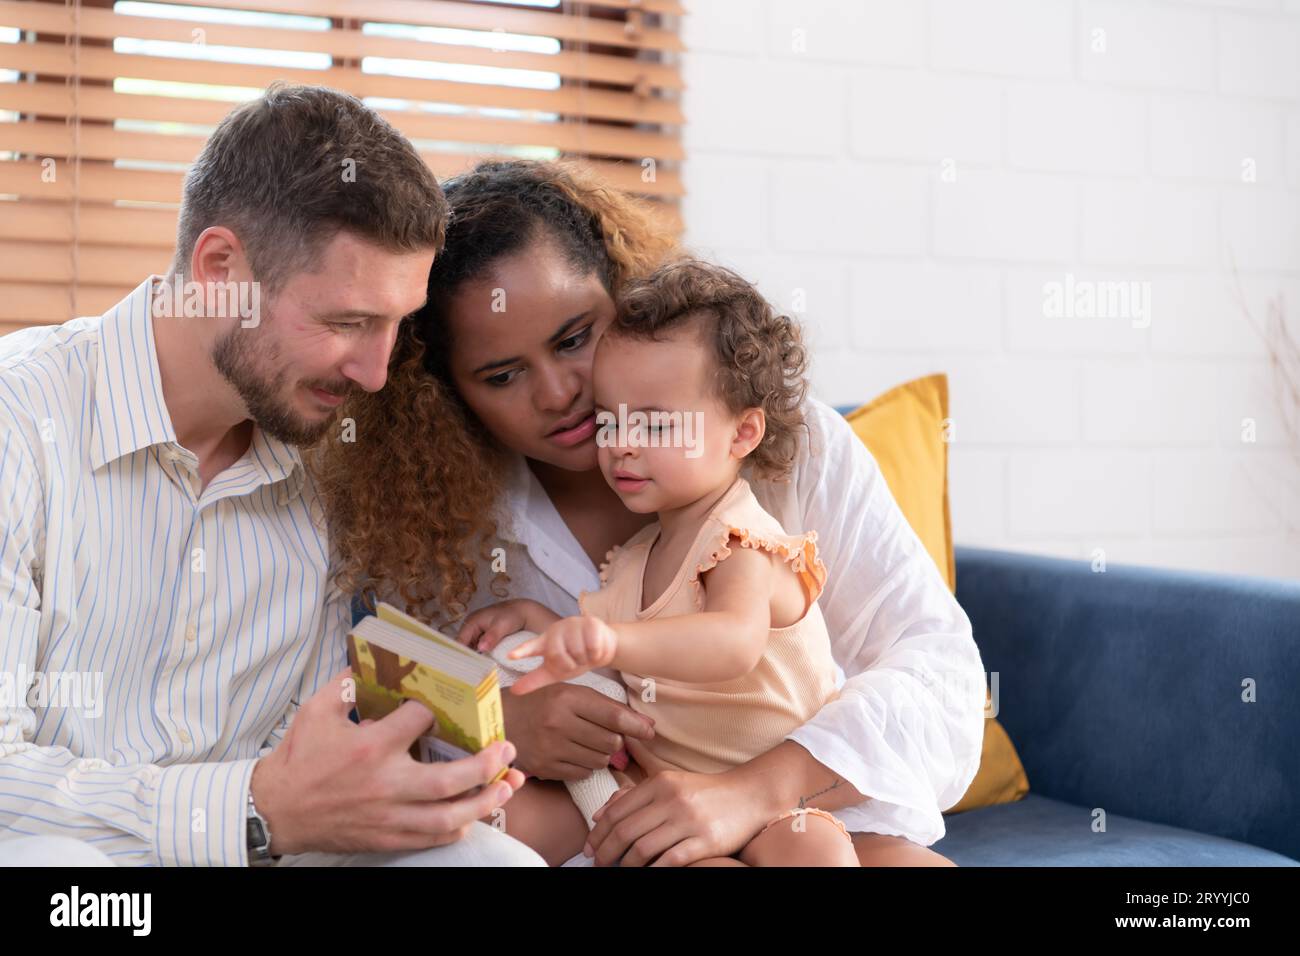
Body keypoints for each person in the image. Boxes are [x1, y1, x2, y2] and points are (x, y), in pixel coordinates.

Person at [313, 159, 987, 867]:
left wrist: (756, 790)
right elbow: (379, 710)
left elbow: (943, 678)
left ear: (625, 299)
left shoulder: (793, 449)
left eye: (575, 338)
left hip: (822, 807)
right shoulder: (428, 521)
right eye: (503, 375)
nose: (558, 393)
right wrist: (507, 724)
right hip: (628, 826)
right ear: (448, 394)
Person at [0, 84, 541, 867]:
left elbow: (319, 758)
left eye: (396, 326)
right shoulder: (21, 421)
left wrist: (421, 776)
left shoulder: (330, 456)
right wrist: (251, 809)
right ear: (219, 267)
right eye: (346, 323)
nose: (377, 371)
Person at [458, 259, 860, 866]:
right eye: (612, 419)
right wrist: (539, 621)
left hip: (772, 792)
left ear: (743, 433)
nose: (623, 443)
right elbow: (611, 646)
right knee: (502, 819)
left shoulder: (740, 540)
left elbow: (732, 642)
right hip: (671, 786)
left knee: (815, 850)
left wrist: (608, 642)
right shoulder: (638, 558)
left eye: (655, 423)